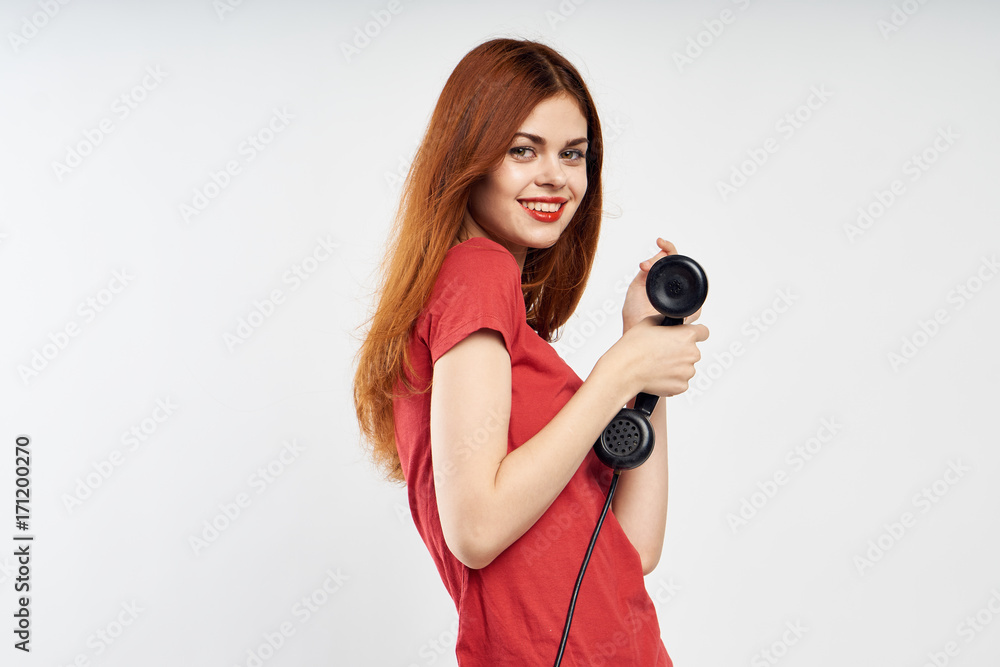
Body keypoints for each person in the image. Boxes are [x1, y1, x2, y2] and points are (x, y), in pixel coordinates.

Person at [353, 37, 709, 666]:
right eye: (523, 150)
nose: (555, 177)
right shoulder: (475, 274)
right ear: (470, 157)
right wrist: (616, 372)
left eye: (573, 154)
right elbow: (477, 528)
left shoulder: (501, 313)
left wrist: (643, 357)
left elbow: (633, 548)